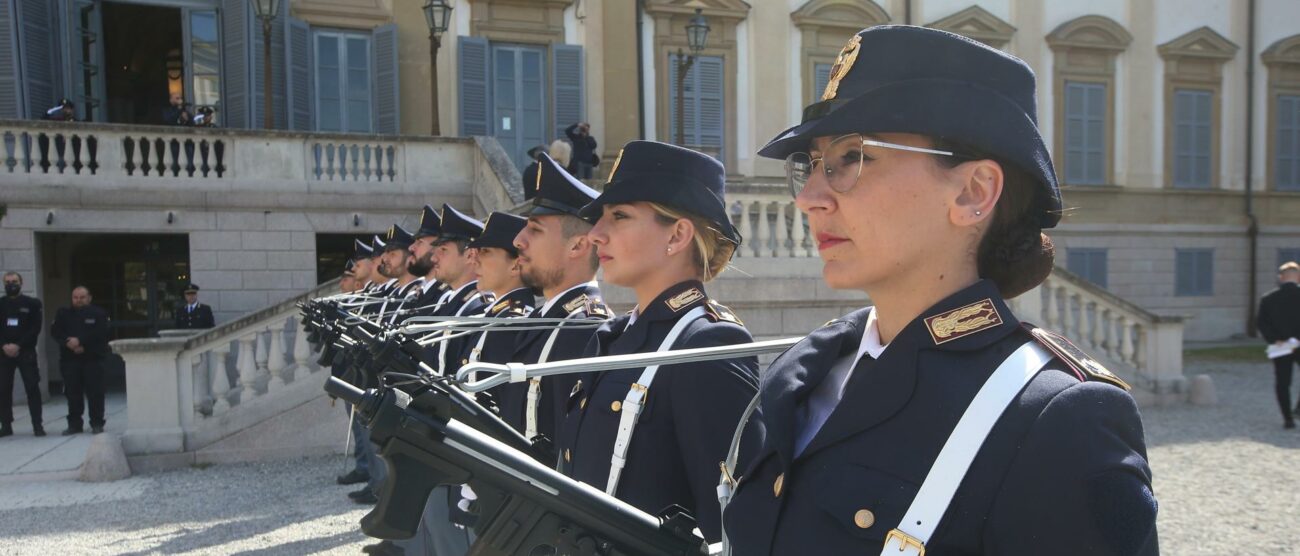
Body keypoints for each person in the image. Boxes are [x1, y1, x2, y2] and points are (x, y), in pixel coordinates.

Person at [721, 26, 1158, 555]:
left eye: (851, 157)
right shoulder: (805, 369)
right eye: (810, 165)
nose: (810, 197)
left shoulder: (1057, 420)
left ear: (974, 193)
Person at [556, 140, 758, 544]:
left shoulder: (704, 344)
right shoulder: (613, 336)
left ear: (678, 234)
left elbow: (732, 527)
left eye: (619, 216)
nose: (596, 234)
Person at [502, 153, 610, 449]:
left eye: (535, 229)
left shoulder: (585, 329)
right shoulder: (547, 319)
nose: (518, 240)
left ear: (577, 245)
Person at [50, 286, 111, 435]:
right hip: (70, 359)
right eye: (75, 297)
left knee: (95, 393)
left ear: (89, 298)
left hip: (92, 359)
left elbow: (101, 333)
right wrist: (68, 343)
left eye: (82, 297)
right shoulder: (63, 313)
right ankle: (74, 424)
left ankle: (97, 423)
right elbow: (56, 332)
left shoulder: (99, 314)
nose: (78, 300)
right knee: (72, 393)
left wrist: (81, 342)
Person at [1, 272, 44, 437]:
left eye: (14, 281)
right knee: (3, 389)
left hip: (25, 351)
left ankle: (37, 425)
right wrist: (4, 345)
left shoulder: (32, 303)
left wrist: (18, 345)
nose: (11, 284)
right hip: (3, 353)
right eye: (8, 282)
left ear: (21, 283)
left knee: (32, 387)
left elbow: (35, 328)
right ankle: (6, 425)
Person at [1258, 261, 1300, 429]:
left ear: (1281, 278)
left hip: (1280, 344)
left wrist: (1275, 339)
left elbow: (1262, 323)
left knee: (1283, 382)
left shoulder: (1268, 299)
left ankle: (1287, 418)